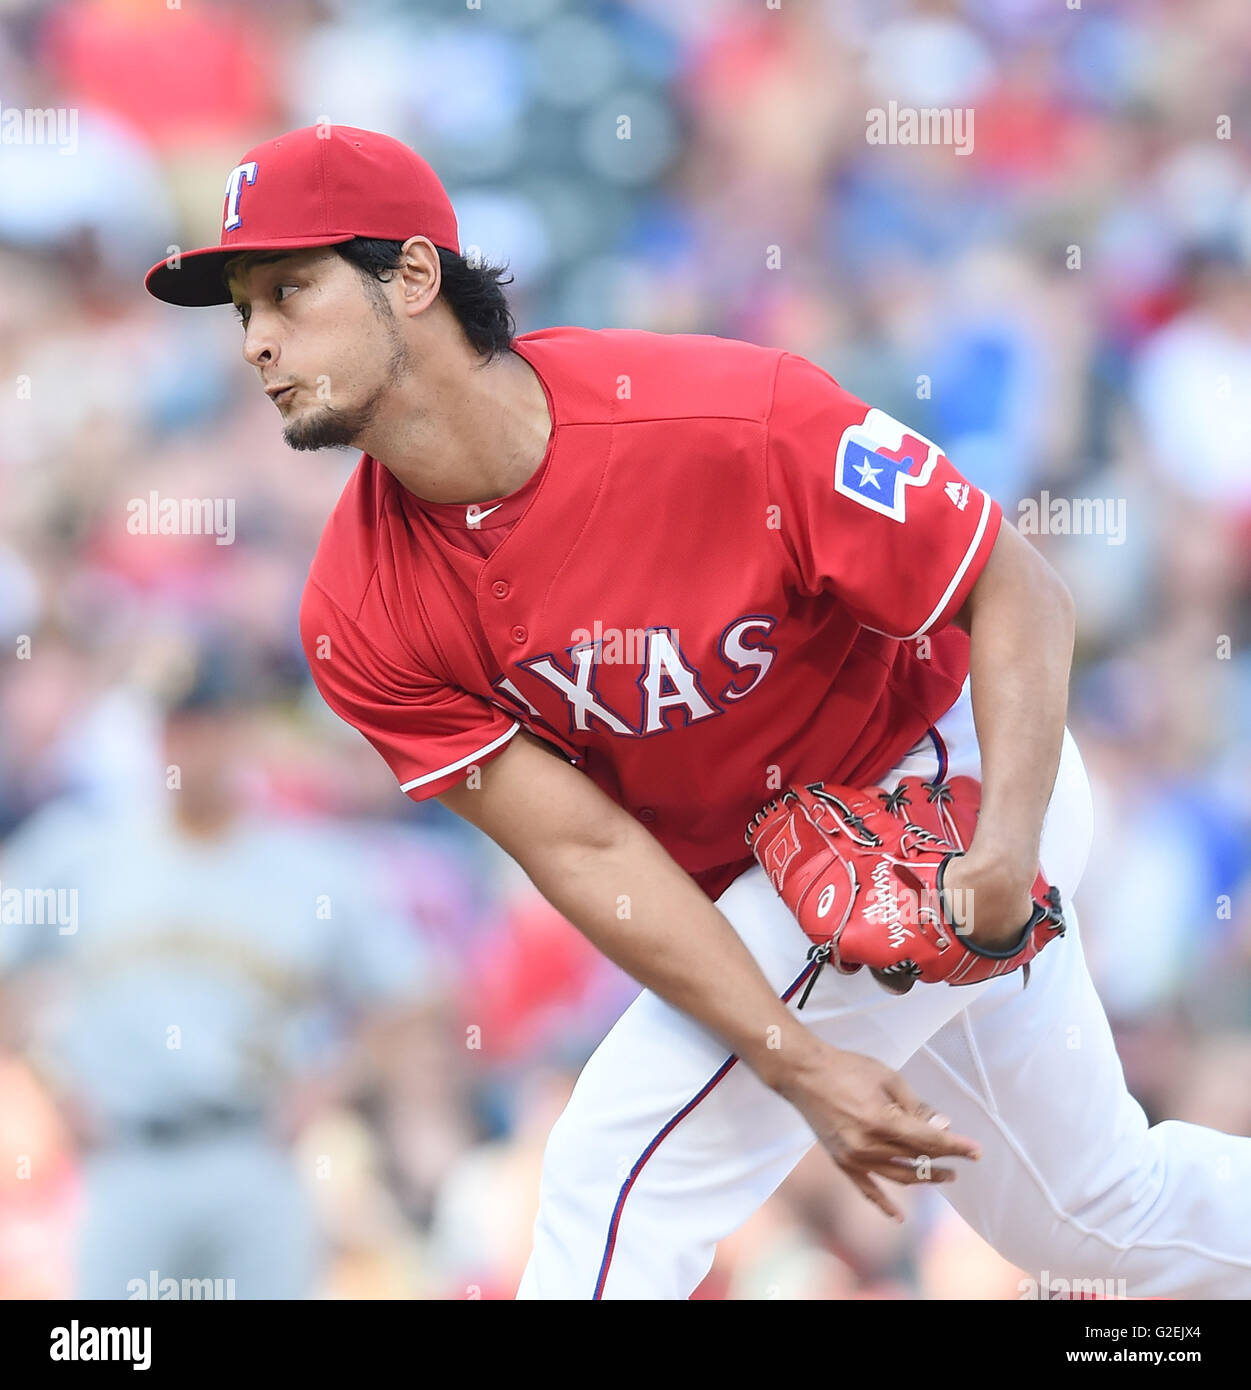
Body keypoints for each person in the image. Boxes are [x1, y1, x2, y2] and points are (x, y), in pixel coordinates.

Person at [145, 124, 1251, 1299]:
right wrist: (797, 1062)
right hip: (774, 882)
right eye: (242, 310)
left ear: (414, 277)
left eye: (289, 290)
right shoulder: (355, 608)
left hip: (945, 777)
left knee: (607, 1174)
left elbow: (1013, 585)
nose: (257, 338)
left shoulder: (724, 417)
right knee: (1093, 1217)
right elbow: (585, 846)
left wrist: (1006, 845)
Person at [0, 644, 434, 1298]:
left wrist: (333, 1083)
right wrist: (47, 1084)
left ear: (239, 731)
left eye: (202, 723)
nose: (183, 743)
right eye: (171, 724)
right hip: (125, 1157)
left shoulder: (309, 863)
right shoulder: (81, 850)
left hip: (254, 1154)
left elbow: (414, 995)